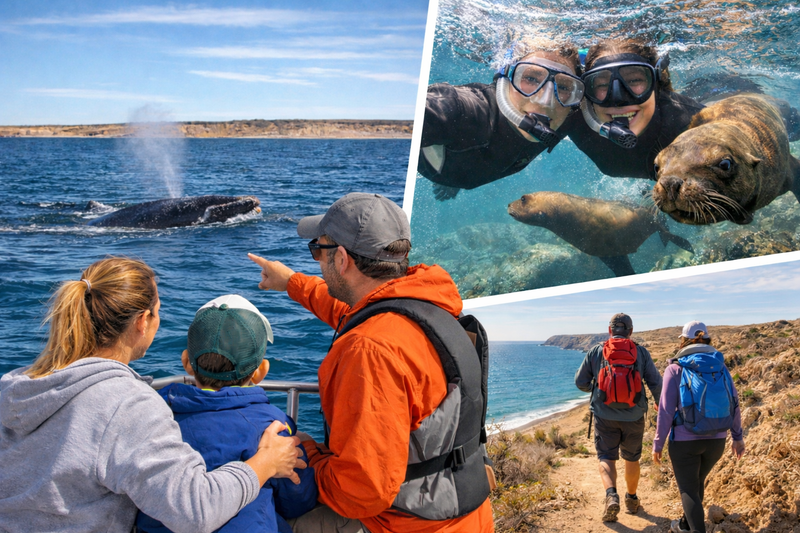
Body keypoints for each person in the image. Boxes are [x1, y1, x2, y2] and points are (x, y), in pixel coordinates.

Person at [0, 257, 304, 533]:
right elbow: (194, 511)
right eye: (158, 312)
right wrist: (266, 462)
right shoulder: (126, 404)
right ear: (142, 322)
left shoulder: (16, 385)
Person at [248, 192, 494, 532]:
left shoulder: (369, 349)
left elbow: (361, 491)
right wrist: (291, 282)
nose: (317, 260)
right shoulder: (427, 307)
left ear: (343, 259)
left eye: (318, 250)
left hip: (400, 524)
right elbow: (351, 312)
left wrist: (305, 452)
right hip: (467, 516)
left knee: (271, 518)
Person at [136, 294, 317, 533]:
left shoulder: (154, 414)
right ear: (261, 371)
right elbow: (296, 500)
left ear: (187, 362)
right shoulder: (272, 426)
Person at [418, 38, 584, 199]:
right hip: (436, 168)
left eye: (563, 86)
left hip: (460, 173)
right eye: (531, 78)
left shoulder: (567, 114)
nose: (546, 101)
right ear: (505, 79)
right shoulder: (463, 110)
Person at [652, 321, 745, 533]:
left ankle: (694, 529)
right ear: (708, 340)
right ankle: (685, 525)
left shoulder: (675, 368)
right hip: (717, 442)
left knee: (688, 489)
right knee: (696, 483)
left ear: (683, 341)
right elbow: (734, 402)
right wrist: (738, 437)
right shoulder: (720, 367)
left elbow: (666, 411)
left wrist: (658, 444)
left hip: (685, 442)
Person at [574, 313, 663, 522]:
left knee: (606, 457)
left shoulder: (597, 351)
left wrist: (596, 389)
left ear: (609, 330)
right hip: (634, 416)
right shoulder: (641, 353)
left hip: (604, 416)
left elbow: (580, 382)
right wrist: (661, 403)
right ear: (631, 332)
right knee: (632, 458)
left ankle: (611, 496)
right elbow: (656, 382)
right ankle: (632, 500)